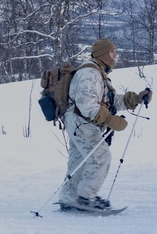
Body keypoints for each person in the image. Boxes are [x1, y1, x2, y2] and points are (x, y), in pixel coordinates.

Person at [59, 38, 151, 212]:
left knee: (79, 161)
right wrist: (110, 120)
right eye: (112, 52)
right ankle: (86, 198)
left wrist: (135, 99)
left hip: (79, 123)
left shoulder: (97, 73)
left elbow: (108, 101)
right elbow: (87, 104)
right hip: (82, 123)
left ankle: (69, 197)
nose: (115, 55)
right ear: (103, 54)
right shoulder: (89, 73)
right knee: (100, 157)